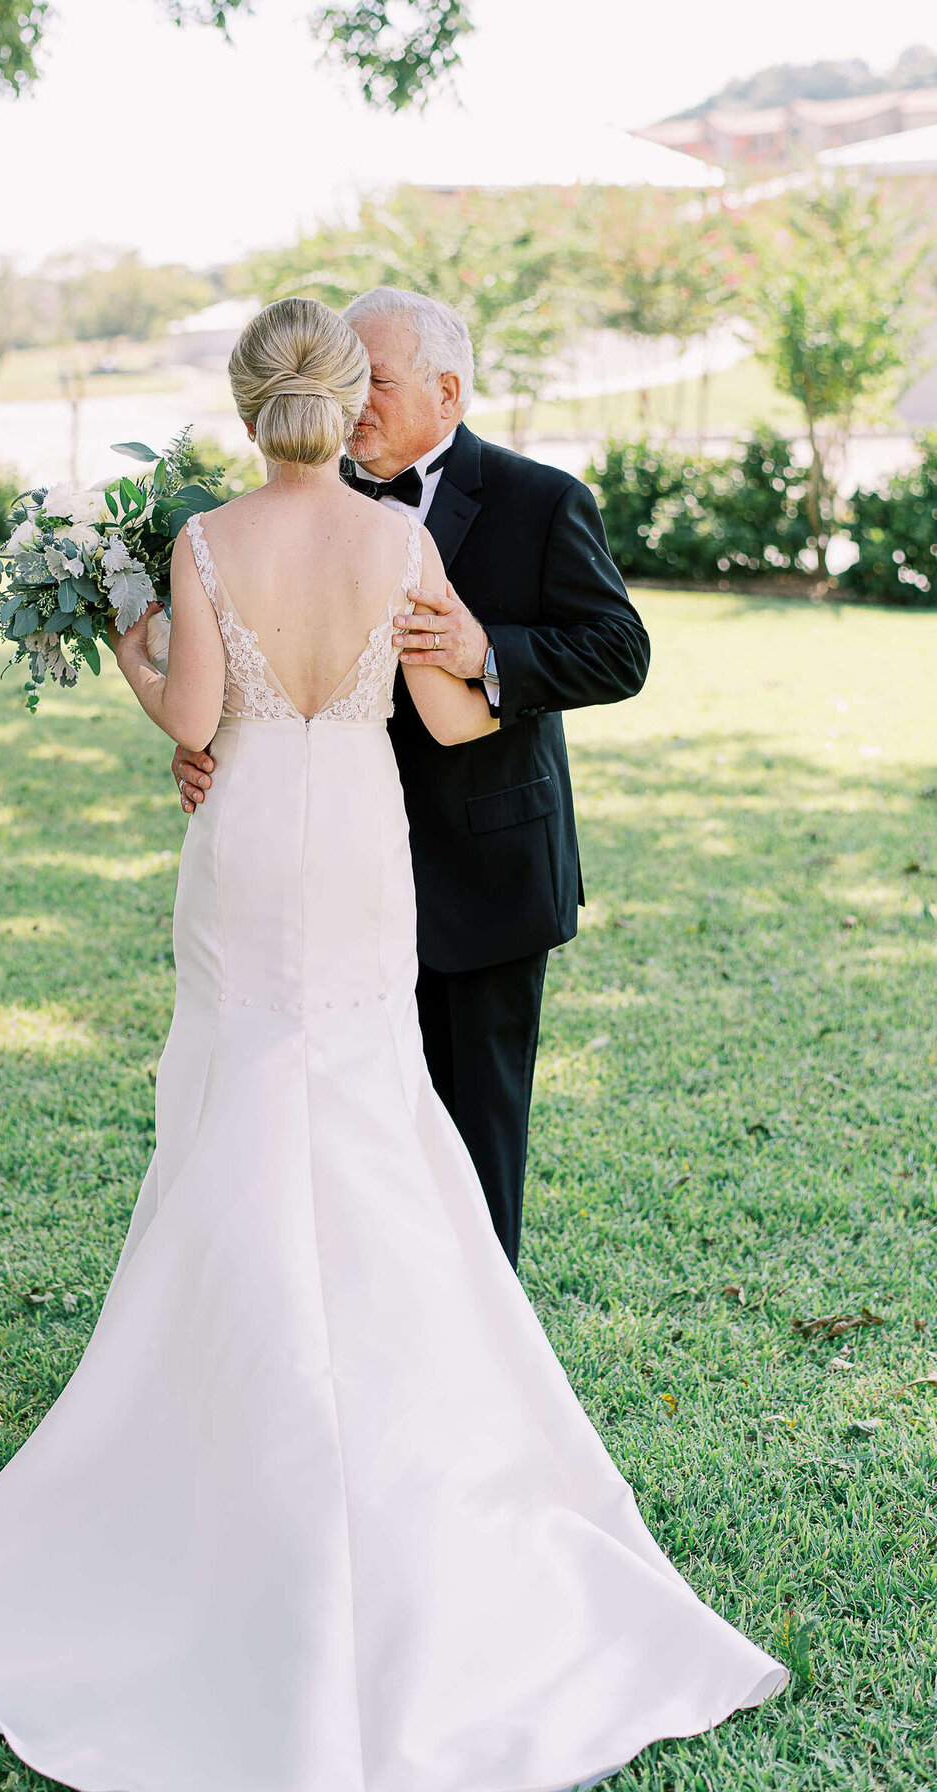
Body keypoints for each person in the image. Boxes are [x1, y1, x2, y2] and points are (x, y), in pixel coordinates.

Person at [0, 297, 787, 1792]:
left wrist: (129, 633)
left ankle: (223, 1416)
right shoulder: (398, 543)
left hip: (250, 846)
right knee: (369, 1110)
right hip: (366, 849)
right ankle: (409, 1431)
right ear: (344, 394)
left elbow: (194, 710)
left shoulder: (208, 541)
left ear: (249, 406)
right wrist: (424, 656)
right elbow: (443, 724)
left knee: (242, 1101)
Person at [174, 286, 650, 1270]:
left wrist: (488, 648)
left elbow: (620, 651)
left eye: (376, 382)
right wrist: (214, 737)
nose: (353, 405)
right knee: (348, 1125)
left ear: (447, 390)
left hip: (488, 874)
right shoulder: (297, 511)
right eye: (346, 379)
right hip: (338, 875)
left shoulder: (543, 499)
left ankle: (481, 1339)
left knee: (474, 1139)